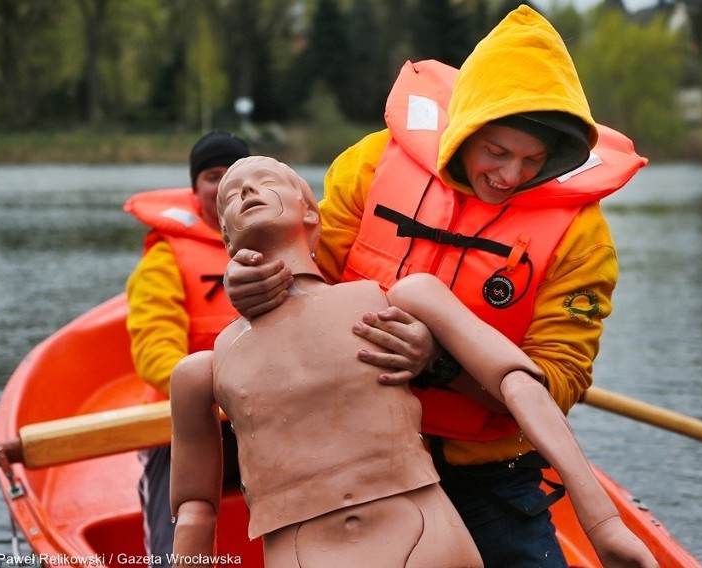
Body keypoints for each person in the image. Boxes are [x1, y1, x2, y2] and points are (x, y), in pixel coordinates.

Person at [224, 6, 647, 567]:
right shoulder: (371, 165)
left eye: (533, 160)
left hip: (490, 474)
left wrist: (440, 364)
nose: (510, 175)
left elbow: (559, 384)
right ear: (463, 127)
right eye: (496, 151)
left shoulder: (583, 239)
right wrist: (251, 284)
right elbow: (304, 275)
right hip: (356, 461)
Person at [169, 155, 657, 568]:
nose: (247, 191)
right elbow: (195, 508)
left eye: (266, 181)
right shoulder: (202, 372)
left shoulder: (402, 298)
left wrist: (603, 523)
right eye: (230, 195)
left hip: (426, 541)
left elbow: (520, 383)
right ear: (226, 239)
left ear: (311, 213)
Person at [124, 131, 250, 567]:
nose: (221, 186)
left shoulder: (279, 244)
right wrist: (223, 389)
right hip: (187, 419)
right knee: (174, 536)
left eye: (233, 176)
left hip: (264, 411)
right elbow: (156, 354)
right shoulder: (165, 257)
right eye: (211, 177)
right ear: (195, 189)